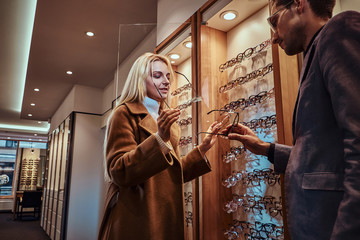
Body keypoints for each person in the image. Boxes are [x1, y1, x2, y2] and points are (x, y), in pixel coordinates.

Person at [222, 0, 360, 239]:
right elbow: (323, 156)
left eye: (274, 21)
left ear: (299, 4)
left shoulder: (340, 30)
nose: (274, 37)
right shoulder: (314, 54)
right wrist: (266, 149)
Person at [98, 52, 220, 240]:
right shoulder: (124, 114)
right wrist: (159, 139)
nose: (166, 81)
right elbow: (118, 171)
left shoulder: (166, 119)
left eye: (168, 76)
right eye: (157, 75)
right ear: (140, 79)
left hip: (166, 215)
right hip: (138, 217)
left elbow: (170, 173)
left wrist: (201, 151)